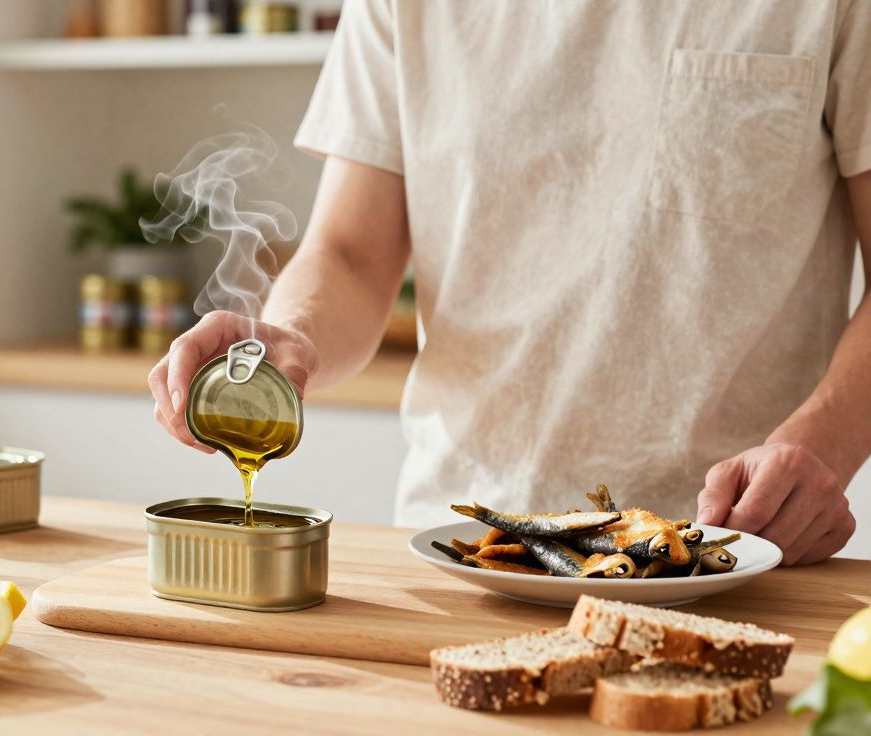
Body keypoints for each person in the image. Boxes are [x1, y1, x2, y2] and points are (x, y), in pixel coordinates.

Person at [149, 0, 870, 565]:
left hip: (728, 552)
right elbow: (349, 253)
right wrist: (289, 336)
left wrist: (817, 448)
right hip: (461, 547)